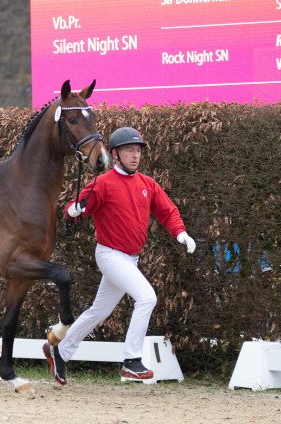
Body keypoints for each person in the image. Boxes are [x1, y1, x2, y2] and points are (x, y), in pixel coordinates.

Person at [43, 126, 196, 384]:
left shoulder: (148, 184)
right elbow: (76, 207)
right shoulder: (102, 184)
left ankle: (60, 348)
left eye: (138, 151)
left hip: (129, 259)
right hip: (109, 255)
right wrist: (73, 211)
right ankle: (131, 361)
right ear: (115, 154)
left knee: (98, 311)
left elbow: (168, 212)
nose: (135, 156)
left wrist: (180, 233)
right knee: (147, 298)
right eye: (129, 151)